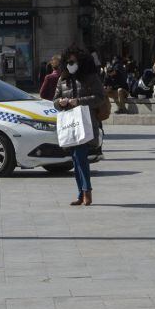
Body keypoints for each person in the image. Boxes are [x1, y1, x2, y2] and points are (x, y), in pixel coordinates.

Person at [52, 49, 104, 206]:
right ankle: (81, 194)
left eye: (73, 62)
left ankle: (86, 191)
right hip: (70, 124)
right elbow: (54, 101)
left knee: (81, 157)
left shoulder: (90, 78)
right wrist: (60, 102)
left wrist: (79, 101)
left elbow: (100, 98)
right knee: (75, 159)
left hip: (86, 123)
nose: (71, 65)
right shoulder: (63, 79)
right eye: (68, 62)